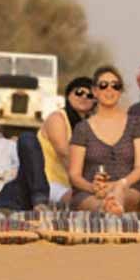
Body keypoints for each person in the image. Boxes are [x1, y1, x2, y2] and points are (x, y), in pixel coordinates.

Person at [68, 66, 140, 214]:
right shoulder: (82, 129)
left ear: (120, 91)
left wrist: (119, 185)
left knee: (125, 195)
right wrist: (93, 188)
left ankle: (112, 206)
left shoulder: (136, 124)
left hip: (129, 188)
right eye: (103, 85)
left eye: (115, 86)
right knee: (95, 204)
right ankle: (107, 208)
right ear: (94, 91)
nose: (109, 90)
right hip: (92, 192)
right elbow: (74, 175)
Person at [36, 76, 96, 204]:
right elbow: (64, 154)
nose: (84, 97)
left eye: (90, 95)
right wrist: (87, 185)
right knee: (85, 200)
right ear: (68, 95)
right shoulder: (57, 118)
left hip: (72, 184)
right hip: (49, 182)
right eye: (79, 92)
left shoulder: (90, 125)